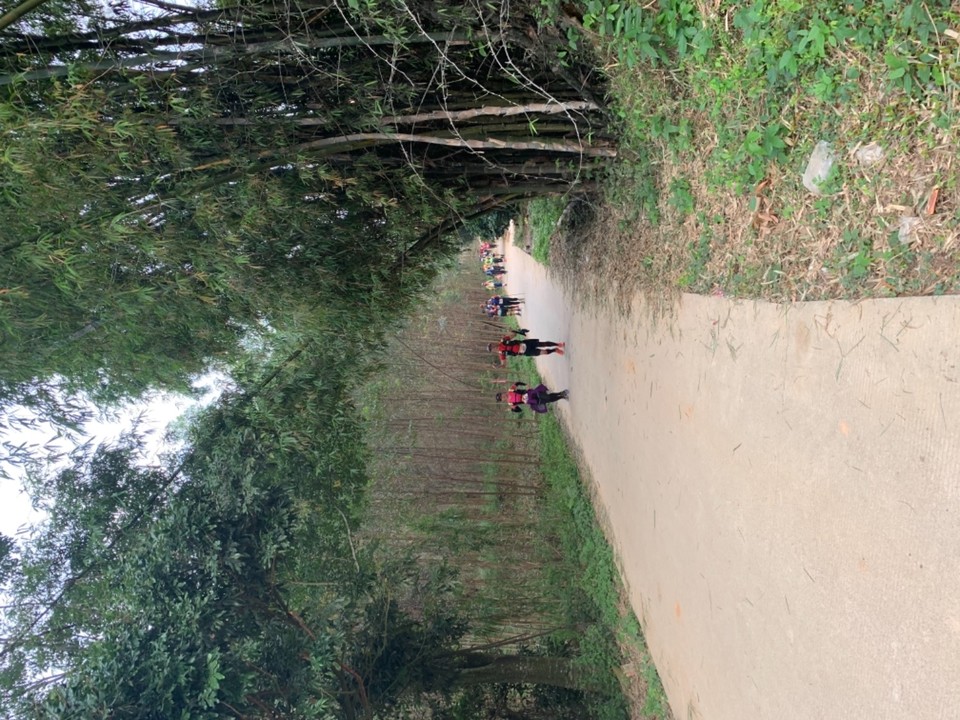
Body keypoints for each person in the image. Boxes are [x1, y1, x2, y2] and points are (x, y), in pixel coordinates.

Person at [487, 330, 564, 365]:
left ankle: (557, 344)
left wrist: (513, 331)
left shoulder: (503, 340)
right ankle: (555, 350)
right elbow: (503, 364)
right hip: (525, 352)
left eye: (491, 345)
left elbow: (513, 335)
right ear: (492, 351)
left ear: (493, 343)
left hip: (525, 344)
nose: (493, 347)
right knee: (544, 352)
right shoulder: (501, 353)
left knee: (543, 344)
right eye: (491, 348)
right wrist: (499, 367)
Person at [496, 381, 569, 413]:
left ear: (502, 393)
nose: (503, 397)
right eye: (501, 398)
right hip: (531, 401)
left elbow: (517, 383)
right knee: (548, 400)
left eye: (501, 395)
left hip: (531, 393)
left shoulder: (510, 390)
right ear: (502, 400)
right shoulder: (510, 403)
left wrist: (526, 385)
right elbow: (519, 410)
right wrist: (512, 409)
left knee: (547, 397)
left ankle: (561, 393)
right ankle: (562, 397)